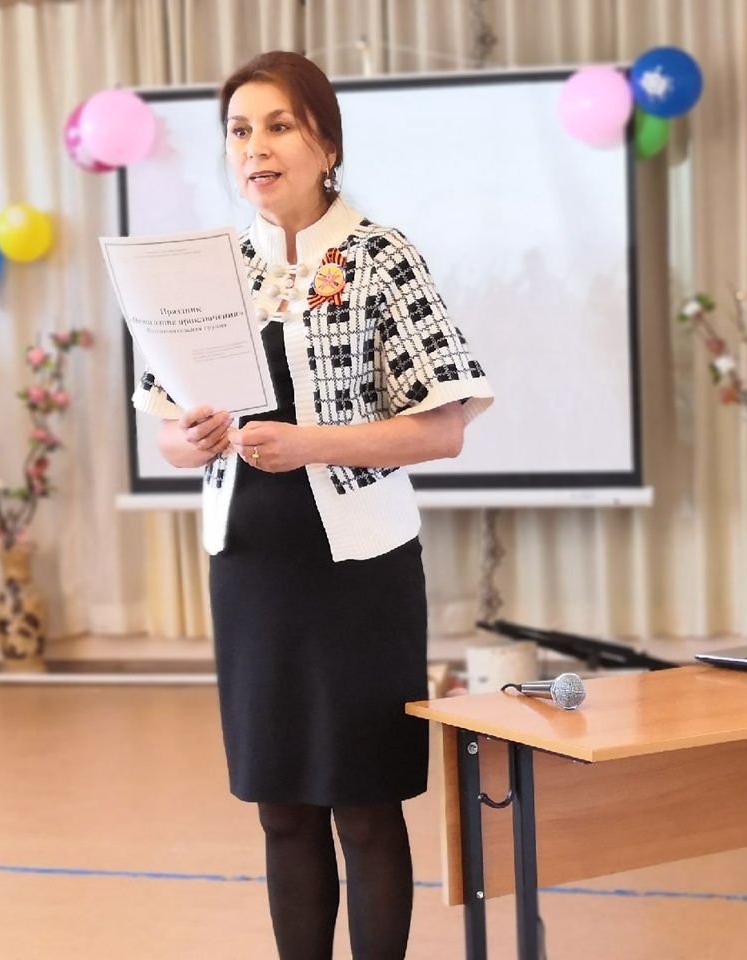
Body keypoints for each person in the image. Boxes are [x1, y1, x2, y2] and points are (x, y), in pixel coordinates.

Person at [132, 50, 493, 960]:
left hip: (359, 575)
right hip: (250, 572)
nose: (255, 147)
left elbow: (444, 428)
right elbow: (167, 436)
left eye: (279, 126)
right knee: (282, 811)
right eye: (239, 131)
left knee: (364, 809)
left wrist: (310, 443)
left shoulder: (380, 256)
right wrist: (195, 441)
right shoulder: (208, 267)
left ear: (326, 144)